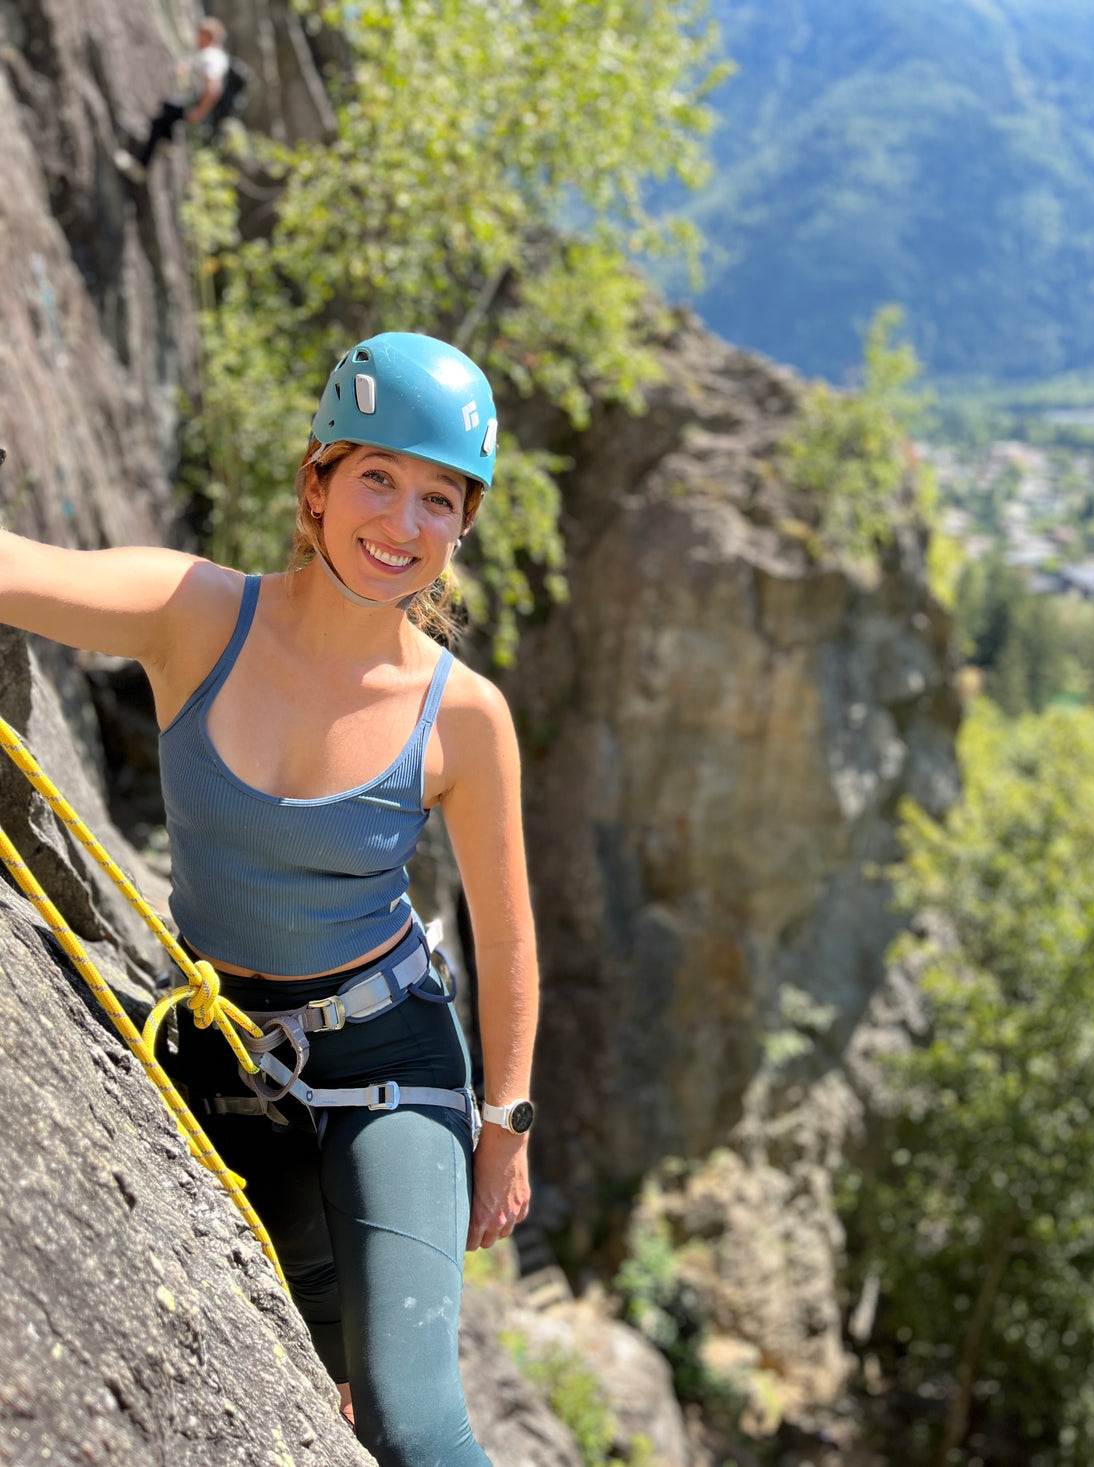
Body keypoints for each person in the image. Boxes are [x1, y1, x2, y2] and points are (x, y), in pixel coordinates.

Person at [0, 333, 539, 1466]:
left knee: (409, 1417)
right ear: (316, 483)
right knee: (302, 1357)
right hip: (221, 1046)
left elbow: (504, 931)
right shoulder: (192, 614)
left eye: (437, 500)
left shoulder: (463, 716)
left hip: (388, 1063)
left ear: (461, 528)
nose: (400, 524)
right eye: (376, 480)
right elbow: (15, 572)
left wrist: (504, 1130)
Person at [115, 15, 232, 183]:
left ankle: (142, 166)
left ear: (207, 36)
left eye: (199, 33)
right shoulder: (217, 55)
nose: (196, 37)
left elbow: (213, 89)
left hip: (198, 104)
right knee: (168, 105)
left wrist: (199, 112)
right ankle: (166, 141)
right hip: (198, 102)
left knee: (158, 121)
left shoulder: (210, 55)